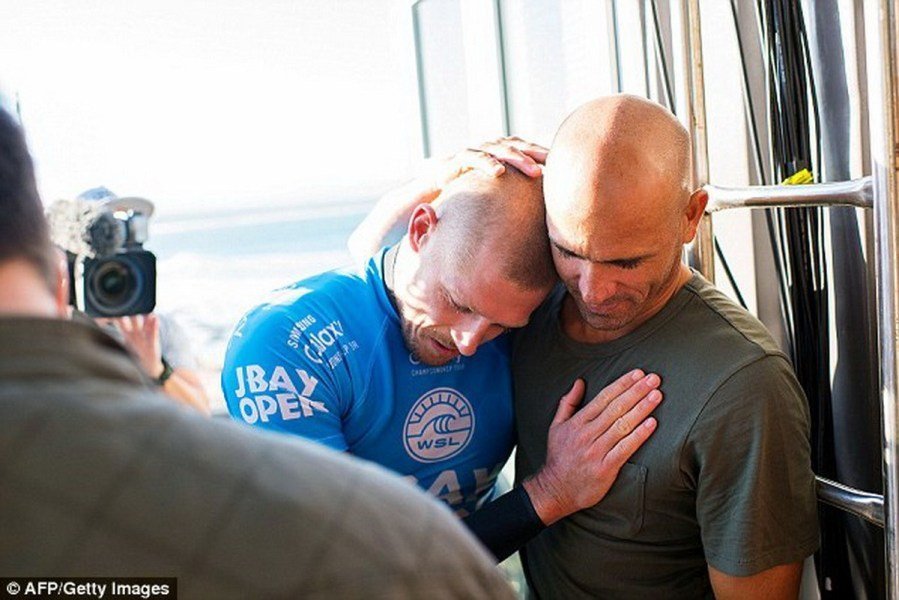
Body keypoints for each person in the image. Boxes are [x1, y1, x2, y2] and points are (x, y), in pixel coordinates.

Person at [0, 107, 515, 599]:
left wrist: (152, 365)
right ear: (63, 281)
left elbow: (381, 280)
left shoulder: (168, 330)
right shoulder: (304, 502)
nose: (470, 340)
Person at [222, 162, 663, 560]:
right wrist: (550, 493)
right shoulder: (284, 347)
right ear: (420, 231)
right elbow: (351, 563)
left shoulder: (525, 320)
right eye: (458, 303)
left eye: (499, 326)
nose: (468, 342)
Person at [509, 95, 818, 598]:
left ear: (691, 217)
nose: (592, 291)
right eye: (569, 251)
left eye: (626, 263)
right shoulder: (525, 309)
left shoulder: (744, 385)